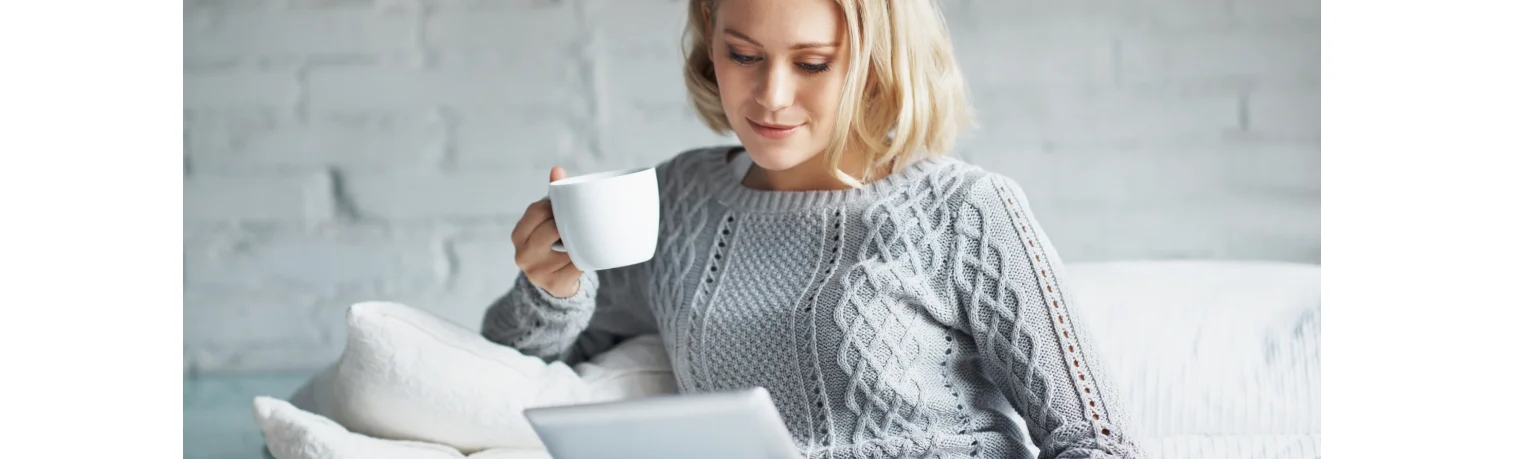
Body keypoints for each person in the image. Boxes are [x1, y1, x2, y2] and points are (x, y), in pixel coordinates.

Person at [484, 0, 1142, 457]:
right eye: (744, 55)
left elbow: (1096, 439)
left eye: (812, 63)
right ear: (711, 39)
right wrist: (551, 287)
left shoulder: (964, 208)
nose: (770, 96)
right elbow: (517, 367)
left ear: (877, 62)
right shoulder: (677, 201)